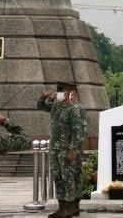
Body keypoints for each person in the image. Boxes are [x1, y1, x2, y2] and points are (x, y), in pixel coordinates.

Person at [37, 81, 88, 217]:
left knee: (70, 178)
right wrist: (44, 97)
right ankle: (63, 207)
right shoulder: (56, 106)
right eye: (58, 91)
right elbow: (41, 106)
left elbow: (79, 132)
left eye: (61, 91)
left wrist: (73, 150)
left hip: (68, 150)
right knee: (58, 178)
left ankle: (71, 207)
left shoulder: (76, 109)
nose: (58, 93)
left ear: (69, 93)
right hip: (55, 149)